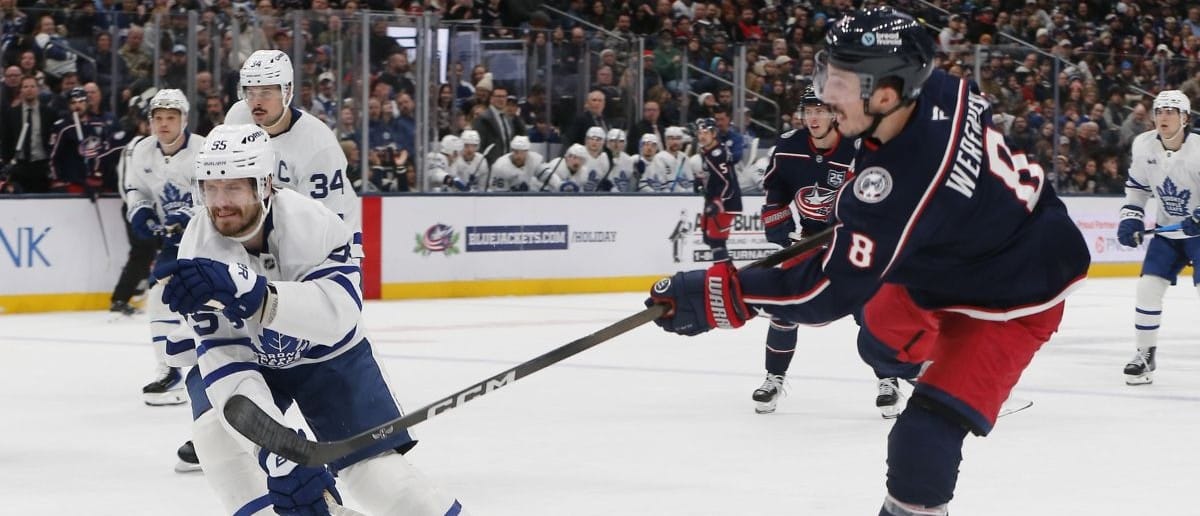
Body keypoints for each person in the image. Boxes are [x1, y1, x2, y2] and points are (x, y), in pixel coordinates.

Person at [645, 8, 1089, 515]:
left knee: (920, 442)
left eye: (840, 81)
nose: (826, 94)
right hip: (956, 255)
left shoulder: (903, 184)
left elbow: (825, 293)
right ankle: (924, 363)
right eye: (827, 74)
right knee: (879, 334)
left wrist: (719, 295)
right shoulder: (938, 88)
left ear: (886, 93)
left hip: (1016, 292)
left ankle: (946, 395)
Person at [157, 124, 467, 515]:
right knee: (214, 435)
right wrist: (278, 452)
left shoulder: (313, 224)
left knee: (383, 483)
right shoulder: (199, 245)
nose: (220, 202)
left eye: (233, 187)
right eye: (211, 187)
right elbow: (224, 359)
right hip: (251, 361)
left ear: (264, 185)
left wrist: (257, 294)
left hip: (330, 361)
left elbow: (339, 315)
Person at [751, 86, 864, 415]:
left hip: (850, 241)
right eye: (808, 110)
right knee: (783, 310)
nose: (813, 117)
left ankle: (889, 381)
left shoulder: (857, 147)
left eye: (820, 110)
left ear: (834, 114)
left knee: (870, 312)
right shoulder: (788, 146)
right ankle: (773, 379)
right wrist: (782, 231)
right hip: (808, 240)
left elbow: (876, 192)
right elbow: (776, 189)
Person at [223, 50, 361, 259]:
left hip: (333, 240)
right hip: (270, 231)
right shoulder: (238, 117)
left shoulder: (319, 146)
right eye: (250, 92)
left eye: (266, 92)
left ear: (286, 93)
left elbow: (326, 221)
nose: (256, 102)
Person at [122, 88, 206, 412]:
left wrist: (189, 214)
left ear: (184, 120)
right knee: (160, 300)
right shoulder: (142, 151)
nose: (164, 124)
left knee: (209, 302)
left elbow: (215, 192)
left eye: (171, 118)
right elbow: (136, 189)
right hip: (173, 242)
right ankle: (169, 369)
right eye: (158, 118)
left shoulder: (203, 150)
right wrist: (140, 210)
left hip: (208, 237)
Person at [1116, 89, 1200, 386]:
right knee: (1147, 288)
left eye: (1171, 111)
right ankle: (1144, 355)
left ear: (1185, 118)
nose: (1163, 116)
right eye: (1159, 110)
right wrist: (1131, 216)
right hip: (1168, 232)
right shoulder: (1143, 145)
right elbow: (1137, 188)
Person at [695, 116, 742, 261]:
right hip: (712, 200)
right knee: (708, 238)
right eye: (700, 133)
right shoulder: (707, 152)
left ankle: (723, 275)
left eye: (706, 133)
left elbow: (727, 182)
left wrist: (717, 202)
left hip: (725, 203)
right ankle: (725, 270)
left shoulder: (718, 153)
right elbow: (712, 176)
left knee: (717, 241)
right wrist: (700, 182)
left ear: (714, 134)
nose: (702, 136)